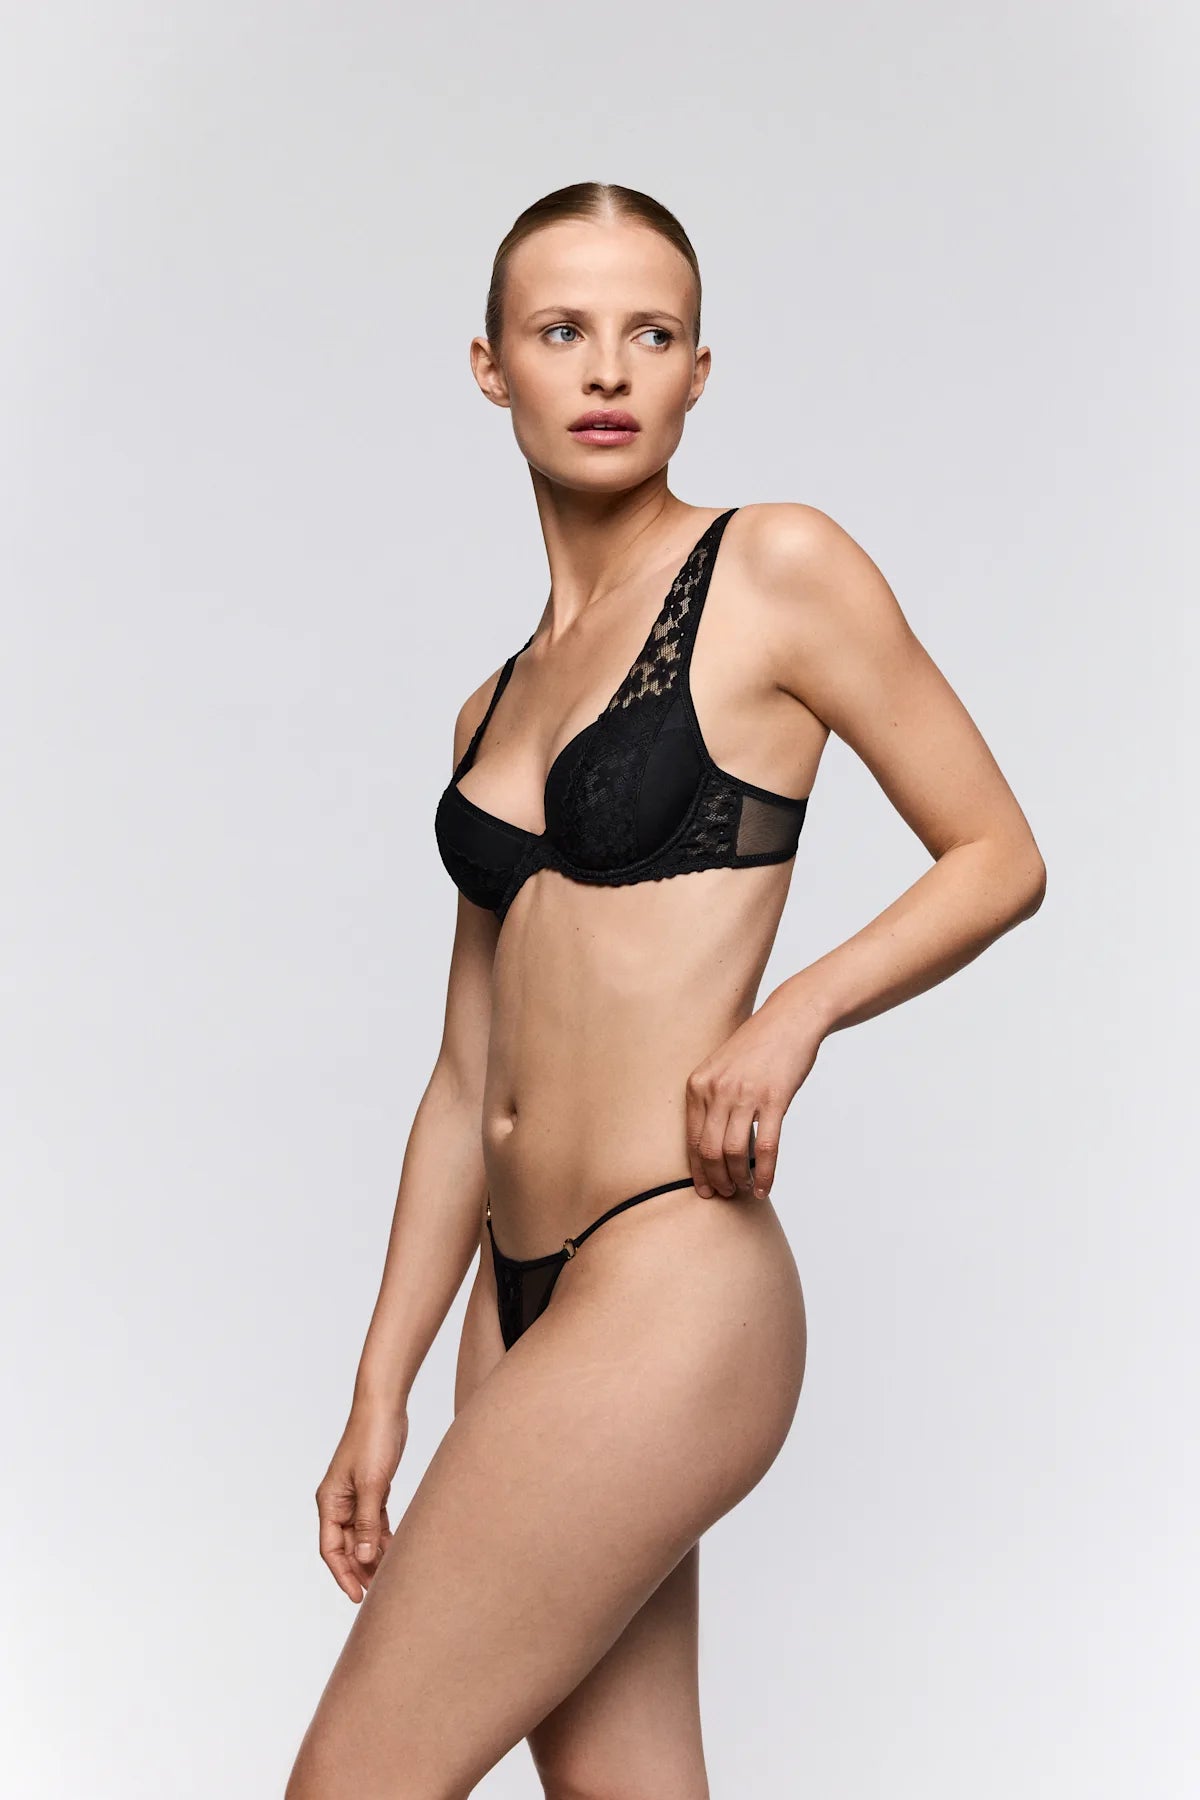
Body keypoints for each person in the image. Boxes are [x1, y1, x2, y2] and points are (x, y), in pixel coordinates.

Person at [285, 181, 1046, 1800]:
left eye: (652, 334)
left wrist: (792, 1017)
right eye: (563, 330)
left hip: (672, 1269)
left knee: (352, 1783)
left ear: (700, 371)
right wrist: (378, 1387)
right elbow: (464, 1075)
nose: (608, 369)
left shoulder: (773, 567)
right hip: (516, 1302)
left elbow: (997, 853)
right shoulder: (492, 706)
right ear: (492, 366)